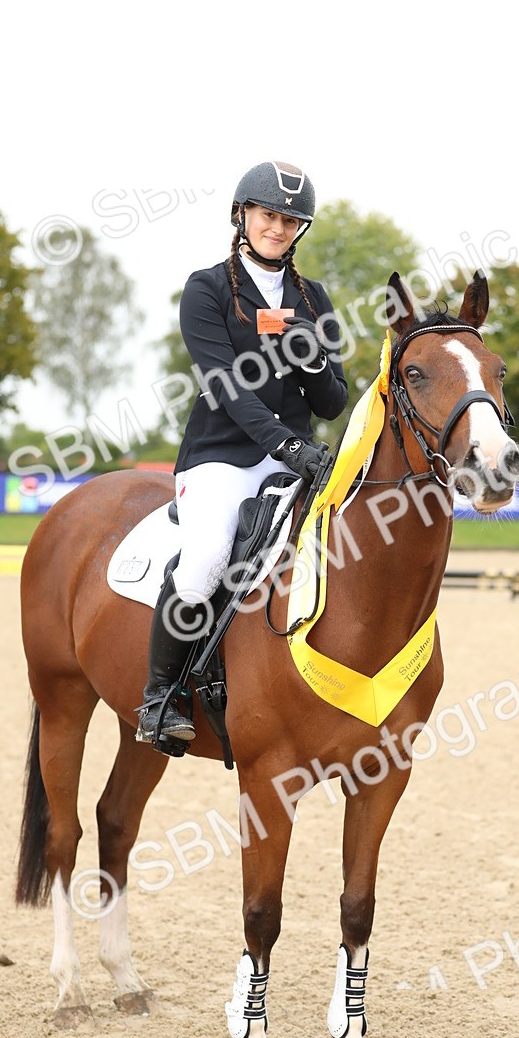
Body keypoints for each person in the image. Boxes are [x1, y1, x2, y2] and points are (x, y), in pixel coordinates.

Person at [136, 160, 348, 746]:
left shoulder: (316, 298)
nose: (277, 228)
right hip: (221, 457)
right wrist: (286, 444)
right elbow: (225, 386)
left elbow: (332, 402)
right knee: (205, 561)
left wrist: (312, 361)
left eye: (289, 220)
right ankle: (160, 698)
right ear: (242, 215)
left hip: (292, 460)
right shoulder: (206, 289)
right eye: (267, 215)